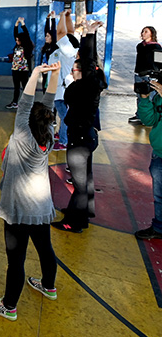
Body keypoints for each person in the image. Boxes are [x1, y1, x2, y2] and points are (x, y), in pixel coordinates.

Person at [0, 62, 61, 321]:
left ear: (26, 121)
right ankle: (49, 286)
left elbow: (26, 103)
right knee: (45, 248)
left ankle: (9, 305)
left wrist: (37, 73)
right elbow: (47, 103)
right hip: (40, 207)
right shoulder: (47, 132)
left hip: (18, 209)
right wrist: (55, 74)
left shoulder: (22, 135)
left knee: (16, 261)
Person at [53, 20, 108, 233]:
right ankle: (85, 212)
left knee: (79, 182)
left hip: (80, 138)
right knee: (86, 177)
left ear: (80, 71)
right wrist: (89, 34)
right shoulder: (93, 84)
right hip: (88, 136)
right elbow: (89, 59)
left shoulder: (80, 87)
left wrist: (89, 35)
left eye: (76, 67)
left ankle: (74, 222)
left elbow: (87, 60)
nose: (73, 68)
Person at [134, 78, 162, 240]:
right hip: (159, 153)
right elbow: (149, 120)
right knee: (159, 196)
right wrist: (144, 99)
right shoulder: (159, 98)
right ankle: (159, 227)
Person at [48, 10, 79, 151]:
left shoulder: (68, 52)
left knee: (65, 116)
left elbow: (61, 33)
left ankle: (64, 141)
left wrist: (61, 16)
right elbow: (69, 31)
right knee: (63, 116)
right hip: (61, 89)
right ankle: (61, 135)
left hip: (62, 91)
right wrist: (67, 17)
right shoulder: (70, 49)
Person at [129, 26, 161, 125]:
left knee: (150, 96)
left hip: (149, 75)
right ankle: (139, 115)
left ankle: (150, 116)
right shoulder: (140, 46)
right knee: (139, 95)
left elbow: (160, 62)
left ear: (151, 34)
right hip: (139, 73)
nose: (143, 33)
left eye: (146, 31)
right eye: (143, 31)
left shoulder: (156, 47)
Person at [6, 17, 35, 109]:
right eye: (16, 40)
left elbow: (27, 34)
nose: (17, 41)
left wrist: (22, 23)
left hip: (24, 70)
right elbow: (15, 33)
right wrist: (16, 23)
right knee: (16, 87)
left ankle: (28, 103)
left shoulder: (27, 46)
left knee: (25, 87)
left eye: (18, 40)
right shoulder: (17, 46)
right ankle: (15, 102)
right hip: (15, 69)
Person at [39, 12, 58, 92]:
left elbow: (53, 31)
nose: (45, 38)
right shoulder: (45, 47)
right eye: (46, 36)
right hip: (45, 71)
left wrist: (53, 18)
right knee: (44, 89)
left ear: (52, 38)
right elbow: (46, 31)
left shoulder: (54, 46)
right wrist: (47, 19)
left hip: (51, 72)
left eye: (48, 36)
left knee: (50, 90)